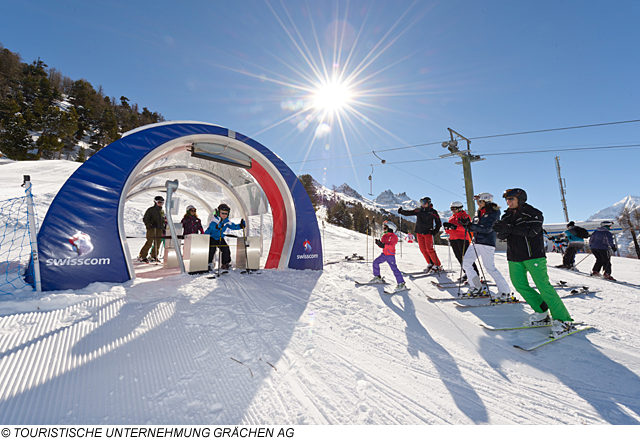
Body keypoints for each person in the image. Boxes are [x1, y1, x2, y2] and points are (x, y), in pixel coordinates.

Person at [492, 188, 574, 338]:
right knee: (519, 285)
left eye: (511, 199)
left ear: (520, 199)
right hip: (514, 256)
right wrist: (500, 230)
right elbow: (503, 234)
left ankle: (564, 320)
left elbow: (532, 231)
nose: (508, 202)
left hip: (533, 256)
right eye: (507, 199)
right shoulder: (506, 215)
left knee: (544, 286)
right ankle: (542, 312)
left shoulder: (533, 213)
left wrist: (509, 228)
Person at [457, 193, 512, 301]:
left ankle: (505, 291)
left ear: (487, 202)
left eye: (479, 201)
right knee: (466, 263)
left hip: (487, 243)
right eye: (476, 201)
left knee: (489, 267)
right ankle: (476, 287)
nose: (477, 203)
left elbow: (488, 229)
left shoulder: (494, 213)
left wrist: (471, 226)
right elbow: (474, 228)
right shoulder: (478, 213)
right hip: (476, 242)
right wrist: (467, 225)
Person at [398, 197, 443, 273]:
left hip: (428, 232)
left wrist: (435, 230)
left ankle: (437, 265)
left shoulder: (433, 212)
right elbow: (409, 212)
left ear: (428, 203)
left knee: (429, 249)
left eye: (424, 203)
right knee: (423, 249)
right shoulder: (419, 210)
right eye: (421, 202)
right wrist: (402, 211)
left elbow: (439, 223)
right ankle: (430, 263)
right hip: (419, 232)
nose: (423, 204)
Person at [442, 201, 477, 282]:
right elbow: (450, 231)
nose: (453, 210)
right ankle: (467, 273)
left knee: (466, 258)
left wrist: (455, 227)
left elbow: (466, 229)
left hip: (463, 239)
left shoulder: (465, 216)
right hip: (453, 239)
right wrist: (447, 229)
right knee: (459, 257)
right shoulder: (451, 218)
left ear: (460, 208)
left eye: (454, 209)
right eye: (451, 209)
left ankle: (475, 275)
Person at [204, 203, 245, 271]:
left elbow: (232, 226)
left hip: (219, 237)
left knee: (226, 249)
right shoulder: (215, 219)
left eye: (226, 214)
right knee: (212, 250)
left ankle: (225, 263)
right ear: (218, 212)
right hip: (211, 236)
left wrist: (240, 226)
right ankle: (209, 264)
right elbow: (212, 226)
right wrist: (217, 226)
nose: (224, 215)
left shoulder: (226, 221)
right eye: (222, 213)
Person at [369, 220, 406, 292]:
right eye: (383, 228)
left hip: (390, 256)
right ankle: (377, 277)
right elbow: (383, 245)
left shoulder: (394, 237)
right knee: (375, 263)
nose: (383, 229)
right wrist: (379, 244)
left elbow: (391, 246)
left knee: (394, 269)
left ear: (390, 228)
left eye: (385, 228)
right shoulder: (384, 236)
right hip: (384, 254)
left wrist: (383, 245)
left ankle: (401, 284)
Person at [138, 196, 167, 263]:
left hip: (159, 229)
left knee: (158, 243)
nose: (161, 204)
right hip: (152, 228)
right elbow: (145, 218)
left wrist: (163, 226)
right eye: (159, 202)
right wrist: (149, 225)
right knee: (149, 242)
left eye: (162, 203)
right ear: (155, 202)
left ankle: (153, 256)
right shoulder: (150, 210)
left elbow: (162, 220)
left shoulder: (162, 211)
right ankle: (142, 256)